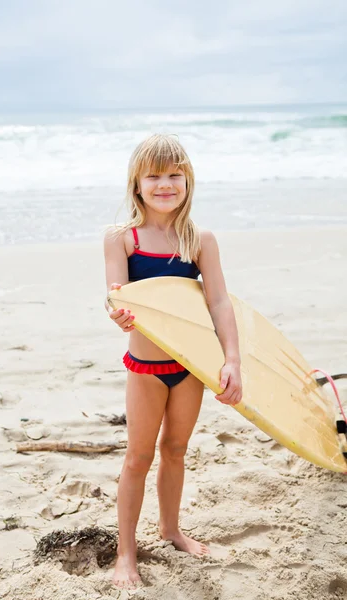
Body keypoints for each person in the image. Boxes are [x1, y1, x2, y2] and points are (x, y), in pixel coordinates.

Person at [103, 134, 242, 589]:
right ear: (136, 184)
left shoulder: (199, 239)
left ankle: (170, 529)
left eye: (174, 175)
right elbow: (117, 297)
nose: (165, 184)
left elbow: (219, 303)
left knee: (176, 452)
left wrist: (232, 361)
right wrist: (118, 313)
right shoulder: (123, 239)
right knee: (138, 456)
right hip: (146, 368)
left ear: (188, 181)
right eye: (154, 175)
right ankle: (126, 552)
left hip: (192, 368)